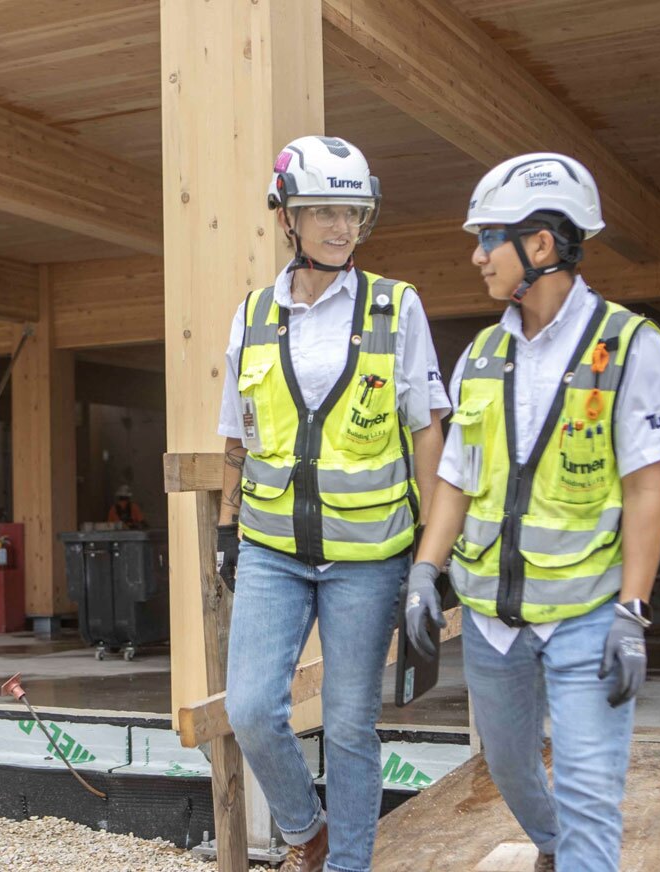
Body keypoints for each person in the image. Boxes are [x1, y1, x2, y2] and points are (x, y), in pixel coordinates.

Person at [404, 153, 660, 872]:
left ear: (539, 245)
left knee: (591, 790)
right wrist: (424, 572)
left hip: (588, 614)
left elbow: (647, 487)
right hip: (493, 621)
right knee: (510, 768)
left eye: (487, 237)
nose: (474, 256)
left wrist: (632, 612)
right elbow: (457, 479)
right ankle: (556, 848)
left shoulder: (629, 348)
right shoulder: (482, 356)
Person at [215, 135, 449, 872]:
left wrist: (428, 555)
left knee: (350, 726)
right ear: (287, 215)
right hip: (271, 551)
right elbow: (237, 439)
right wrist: (228, 526)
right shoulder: (250, 316)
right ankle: (304, 830)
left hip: (368, 559)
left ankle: (346, 864)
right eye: (323, 211)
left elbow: (427, 431)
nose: (341, 227)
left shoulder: (396, 307)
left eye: (352, 212)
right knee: (250, 709)